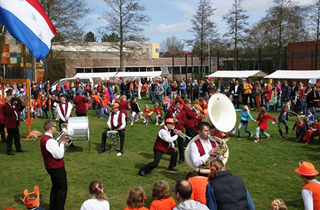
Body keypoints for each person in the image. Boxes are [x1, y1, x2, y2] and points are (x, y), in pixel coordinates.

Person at [40, 120, 68, 210]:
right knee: (62, 190)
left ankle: (53, 207)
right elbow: (59, 155)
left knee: (55, 188)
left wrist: (61, 147)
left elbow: (54, 150)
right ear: (51, 128)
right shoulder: (50, 141)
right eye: (55, 127)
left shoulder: (44, 138)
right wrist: (62, 144)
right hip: (56, 167)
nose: (56, 129)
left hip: (50, 166)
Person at [165, 99, 186, 164]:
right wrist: (169, 122)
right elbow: (166, 118)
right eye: (178, 104)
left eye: (180, 104)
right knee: (172, 144)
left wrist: (178, 121)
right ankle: (173, 158)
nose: (179, 106)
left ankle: (181, 158)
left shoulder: (182, 112)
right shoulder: (170, 110)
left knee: (180, 145)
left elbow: (185, 121)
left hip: (179, 130)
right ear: (175, 104)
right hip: (172, 130)